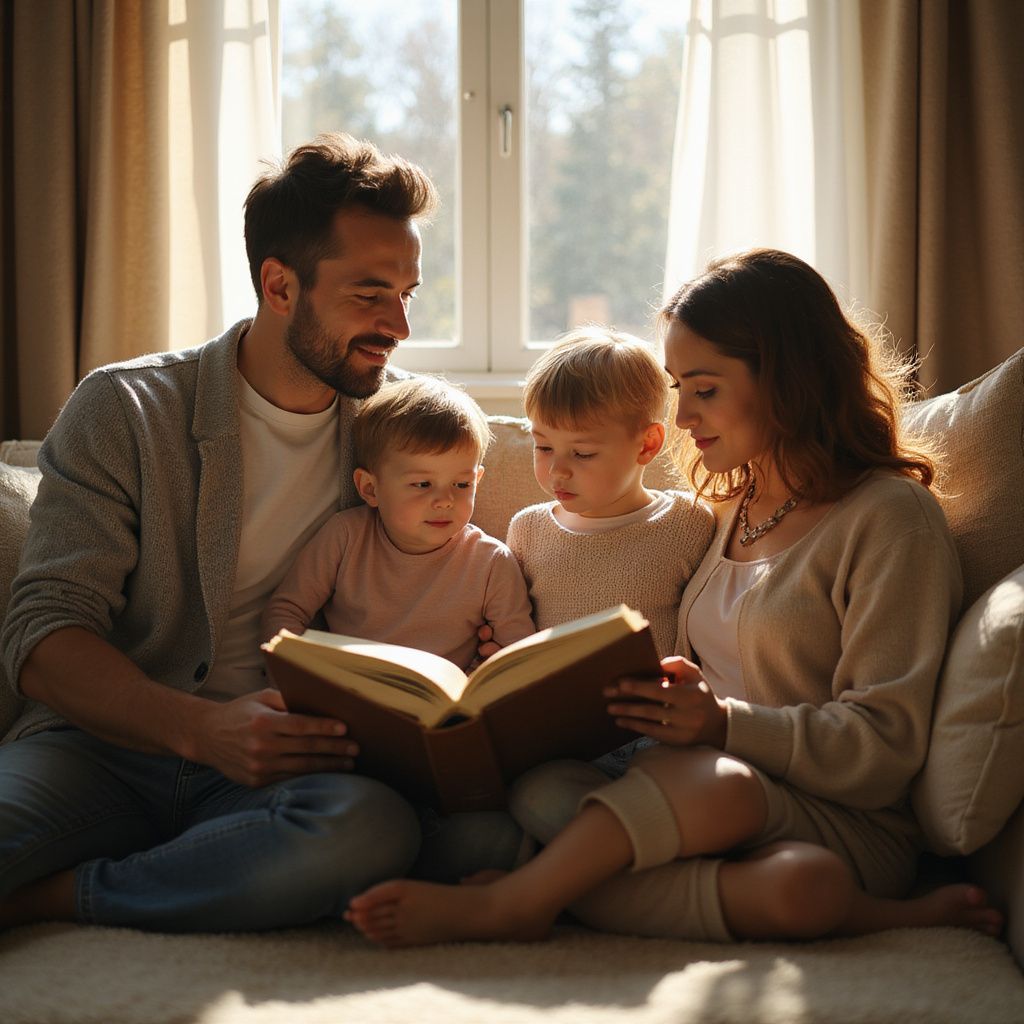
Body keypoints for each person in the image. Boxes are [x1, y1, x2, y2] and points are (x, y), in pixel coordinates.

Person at [344, 248, 1004, 947]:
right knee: (774, 882)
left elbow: (886, 745)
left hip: (834, 811)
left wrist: (722, 725)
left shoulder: (889, 518)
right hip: (697, 795)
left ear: (788, 379)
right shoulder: (724, 512)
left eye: (705, 388)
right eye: (677, 386)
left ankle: (518, 899)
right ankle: (839, 912)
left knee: (718, 791)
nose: (683, 414)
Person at [0, 133, 518, 934]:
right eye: (371, 294)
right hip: (103, 747)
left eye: (409, 292)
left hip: (292, 764)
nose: (401, 326)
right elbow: (41, 634)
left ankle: (72, 897)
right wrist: (199, 728)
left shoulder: (399, 425)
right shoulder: (127, 409)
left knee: (371, 829)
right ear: (280, 285)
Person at [262, 374, 534, 669]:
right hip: (347, 698)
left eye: (462, 485)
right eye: (422, 484)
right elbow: (286, 611)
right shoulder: (345, 537)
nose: (445, 501)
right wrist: (293, 679)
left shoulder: (492, 562)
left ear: (477, 480)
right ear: (369, 488)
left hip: (449, 708)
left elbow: (520, 655)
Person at [505, 327, 714, 663]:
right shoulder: (527, 531)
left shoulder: (688, 523)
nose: (558, 471)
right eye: (543, 447)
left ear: (647, 444)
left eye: (582, 453)